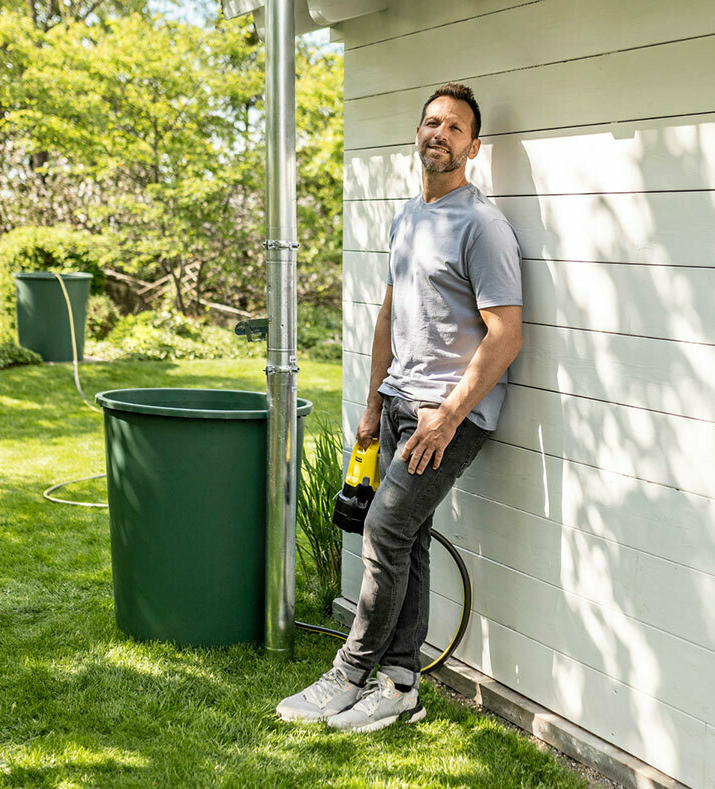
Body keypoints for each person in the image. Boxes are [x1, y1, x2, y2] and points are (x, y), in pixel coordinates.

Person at [276, 82, 523, 732]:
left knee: (384, 531)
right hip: (396, 402)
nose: (440, 133)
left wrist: (448, 416)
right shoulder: (408, 217)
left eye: (455, 127)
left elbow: (506, 336)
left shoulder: (483, 226)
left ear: (473, 147)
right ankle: (400, 684)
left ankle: (350, 673)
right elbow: (388, 315)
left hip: (448, 415)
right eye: (432, 122)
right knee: (405, 540)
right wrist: (370, 405)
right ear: (419, 134)